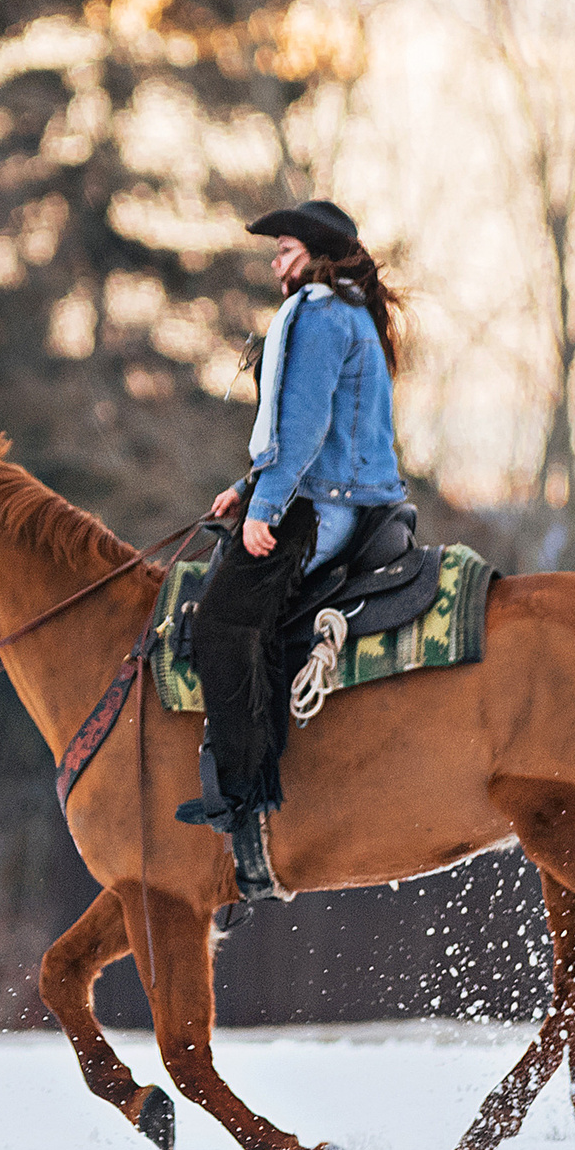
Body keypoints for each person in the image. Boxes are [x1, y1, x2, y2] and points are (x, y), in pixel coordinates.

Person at [177, 199, 407, 848]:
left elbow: (303, 428)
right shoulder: (350, 311)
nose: (275, 262)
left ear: (314, 253)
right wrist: (245, 488)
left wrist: (265, 507)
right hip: (345, 496)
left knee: (221, 620)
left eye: (284, 249)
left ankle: (244, 791)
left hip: (320, 507)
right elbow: (315, 432)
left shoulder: (319, 312)